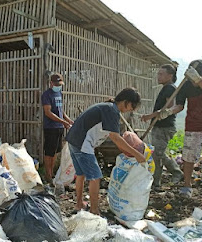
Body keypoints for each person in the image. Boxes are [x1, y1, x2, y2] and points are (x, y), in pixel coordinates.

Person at [66, 87, 146, 215]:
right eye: (133, 105)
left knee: (80, 174)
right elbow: (115, 137)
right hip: (82, 143)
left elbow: (112, 135)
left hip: (74, 140)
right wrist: (136, 154)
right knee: (95, 177)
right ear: (125, 101)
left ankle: (79, 204)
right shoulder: (111, 110)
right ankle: (94, 210)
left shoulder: (108, 107)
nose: (132, 109)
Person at [158, 60, 202, 198]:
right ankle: (187, 185)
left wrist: (199, 81)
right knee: (188, 157)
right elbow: (180, 105)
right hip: (193, 125)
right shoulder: (186, 85)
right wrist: (170, 111)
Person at [141, 64, 183, 189]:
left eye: (161, 74)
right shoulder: (166, 87)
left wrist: (150, 116)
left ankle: (176, 172)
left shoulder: (169, 88)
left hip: (164, 127)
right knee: (156, 155)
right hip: (160, 126)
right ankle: (156, 182)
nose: (158, 76)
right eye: (158, 73)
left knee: (159, 153)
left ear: (170, 76)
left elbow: (168, 108)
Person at [41, 73, 74, 183]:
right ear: (51, 83)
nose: (58, 86)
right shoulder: (46, 95)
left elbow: (60, 110)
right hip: (50, 127)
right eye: (56, 84)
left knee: (55, 151)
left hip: (59, 127)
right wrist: (63, 121)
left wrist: (68, 120)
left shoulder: (59, 93)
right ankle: (48, 175)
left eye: (59, 84)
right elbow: (48, 112)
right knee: (49, 152)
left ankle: (51, 173)